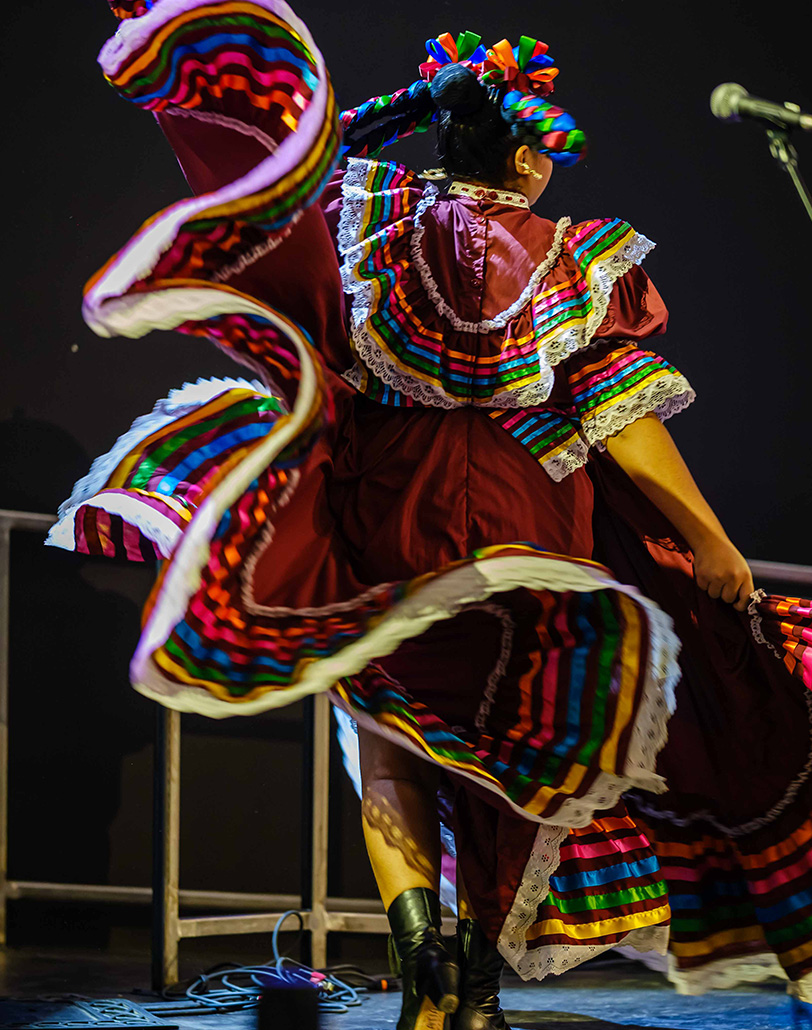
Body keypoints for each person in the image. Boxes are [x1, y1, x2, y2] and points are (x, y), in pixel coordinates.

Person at [49, 4, 812, 1029]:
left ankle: (426, 984)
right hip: (525, 517)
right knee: (510, 752)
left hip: (385, 506)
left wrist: (399, 107)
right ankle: (478, 991)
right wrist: (708, 538)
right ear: (528, 156)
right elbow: (622, 417)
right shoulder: (570, 257)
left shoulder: (371, 217)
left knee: (391, 741)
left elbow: (303, 179)